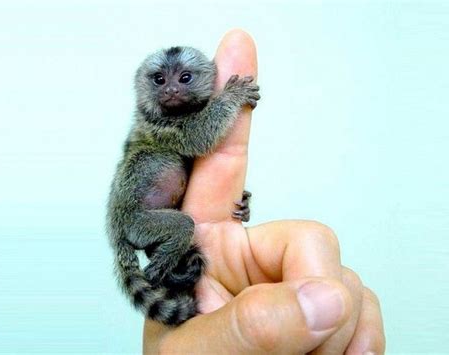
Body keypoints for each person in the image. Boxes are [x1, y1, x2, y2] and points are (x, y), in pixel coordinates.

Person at [143, 29, 385, 354]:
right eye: (160, 80)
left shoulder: (197, 167)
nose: (171, 87)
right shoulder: (157, 132)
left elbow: (202, 187)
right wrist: (229, 98)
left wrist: (237, 204)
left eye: (184, 77)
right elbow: (197, 141)